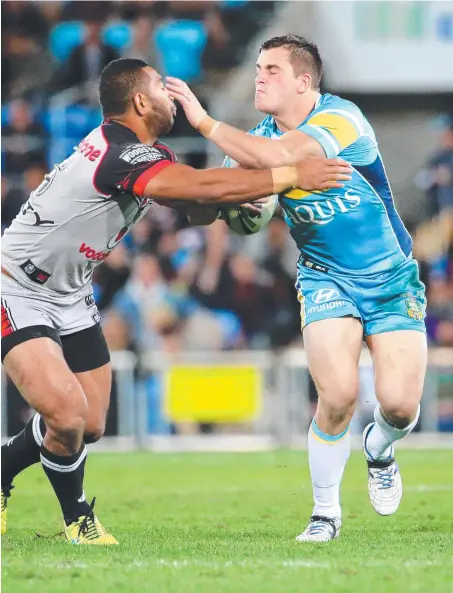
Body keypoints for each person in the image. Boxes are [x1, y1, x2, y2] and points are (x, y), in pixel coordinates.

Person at [0, 57, 350, 545]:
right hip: (17, 286)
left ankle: (3, 467)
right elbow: (198, 185)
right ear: (140, 102)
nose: (171, 100)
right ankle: (78, 519)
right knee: (65, 414)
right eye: (161, 92)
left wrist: (232, 203)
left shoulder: (148, 154)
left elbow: (195, 205)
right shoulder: (118, 154)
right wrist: (290, 174)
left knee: (91, 423)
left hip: (72, 292)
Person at [166, 35, 428, 542]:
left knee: (398, 405)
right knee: (337, 394)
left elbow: (285, 154)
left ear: (304, 82)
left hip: (391, 278)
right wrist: (229, 209)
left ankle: (380, 447)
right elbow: (223, 206)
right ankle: (325, 513)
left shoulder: (340, 119)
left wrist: (202, 121)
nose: (259, 77)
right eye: (258, 67)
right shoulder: (253, 143)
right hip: (325, 277)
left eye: (271, 70)